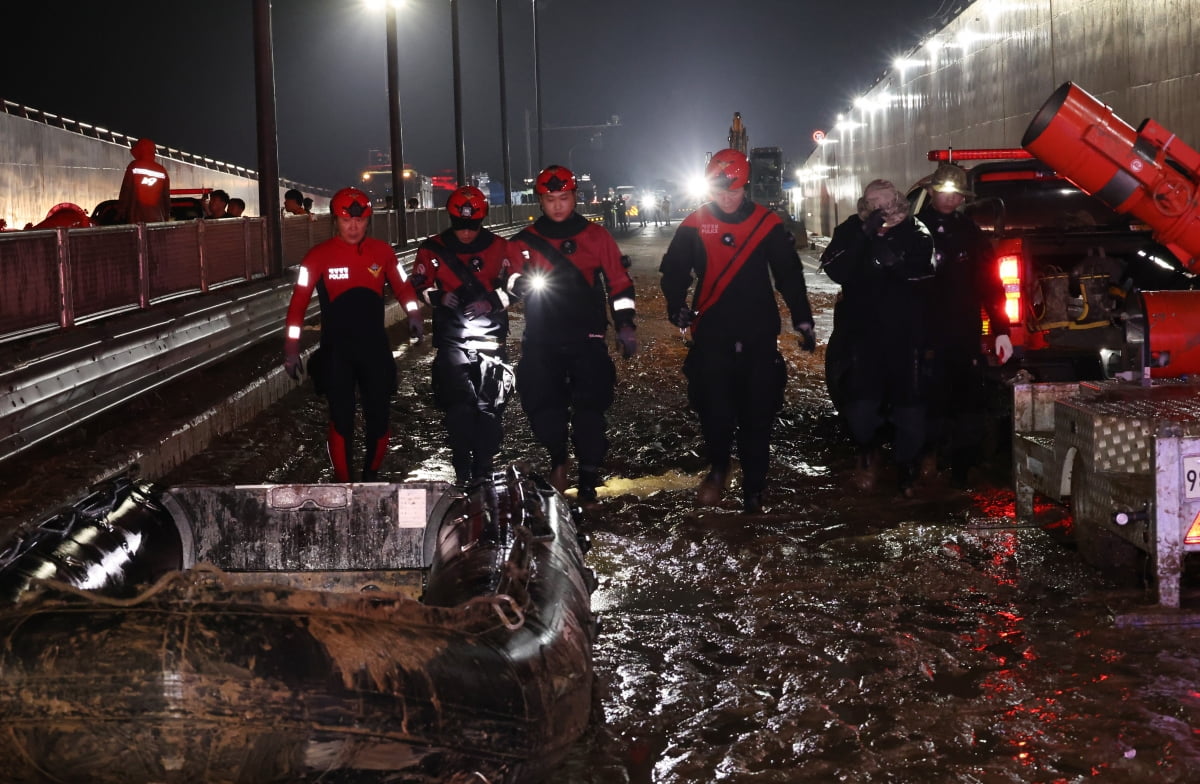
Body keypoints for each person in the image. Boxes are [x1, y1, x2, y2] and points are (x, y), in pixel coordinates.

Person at [660, 148, 816, 514]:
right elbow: (675, 271)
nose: (726, 199)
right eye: (719, 191)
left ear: (745, 186)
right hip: (712, 332)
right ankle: (718, 468)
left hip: (758, 332)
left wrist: (803, 319)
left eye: (733, 191)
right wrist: (675, 305)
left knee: (757, 412)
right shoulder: (694, 224)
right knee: (714, 409)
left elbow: (789, 275)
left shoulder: (767, 223)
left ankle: (754, 487)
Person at [506, 164, 637, 503]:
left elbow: (620, 284)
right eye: (550, 199)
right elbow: (506, 278)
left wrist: (625, 325)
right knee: (539, 401)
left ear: (574, 197)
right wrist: (517, 283)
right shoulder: (524, 242)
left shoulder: (596, 237)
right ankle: (558, 458)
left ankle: (589, 479)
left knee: (590, 409)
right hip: (542, 337)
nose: (558, 206)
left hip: (587, 337)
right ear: (540, 201)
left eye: (564, 198)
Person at [282, 186, 425, 482]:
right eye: (347, 220)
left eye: (360, 221)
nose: (354, 227)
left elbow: (402, 286)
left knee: (379, 418)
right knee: (341, 419)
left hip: (375, 350)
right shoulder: (316, 258)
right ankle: (344, 484)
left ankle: (371, 476)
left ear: (368, 221)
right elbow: (297, 305)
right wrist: (292, 347)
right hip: (337, 353)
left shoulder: (382, 253)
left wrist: (413, 314)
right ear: (335, 220)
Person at [820, 179, 935, 497]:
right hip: (861, 335)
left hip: (905, 334)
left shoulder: (916, 231)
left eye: (886, 203)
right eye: (872, 204)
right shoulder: (851, 229)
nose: (880, 209)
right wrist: (863, 237)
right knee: (860, 405)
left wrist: (896, 265)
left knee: (909, 407)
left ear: (898, 202)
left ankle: (908, 468)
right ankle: (867, 453)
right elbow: (835, 270)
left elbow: (927, 274)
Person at [917, 163, 1013, 487]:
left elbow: (990, 283)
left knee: (968, 405)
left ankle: (960, 473)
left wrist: (1001, 329)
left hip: (963, 334)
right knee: (926, 403)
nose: (950, 200)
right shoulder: (913, 231)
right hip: (922, 336)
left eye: (956, 195)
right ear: (931, 192)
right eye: (944, 193)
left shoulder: (970, 234)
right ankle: (925, 464)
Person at [411, 186, 514, 485]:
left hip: (492, 339)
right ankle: (461, 469)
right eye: (460, 225)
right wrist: (439, 297)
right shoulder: (432, 249)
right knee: (457, 407)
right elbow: (418, 285)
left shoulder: (501, 248)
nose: (466, 233)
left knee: (489, 407)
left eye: (472, 225)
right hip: (452, 339)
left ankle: (483, 468)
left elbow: (520, 285)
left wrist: (491, 302)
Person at [116, 138, 170, 224]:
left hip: (135, 219)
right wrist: (166, 215)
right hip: (157, 220)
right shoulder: (162, 170)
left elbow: (126, 191)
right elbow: (166, 196)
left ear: (140, 150)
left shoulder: (134, 166)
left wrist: (121, 212)